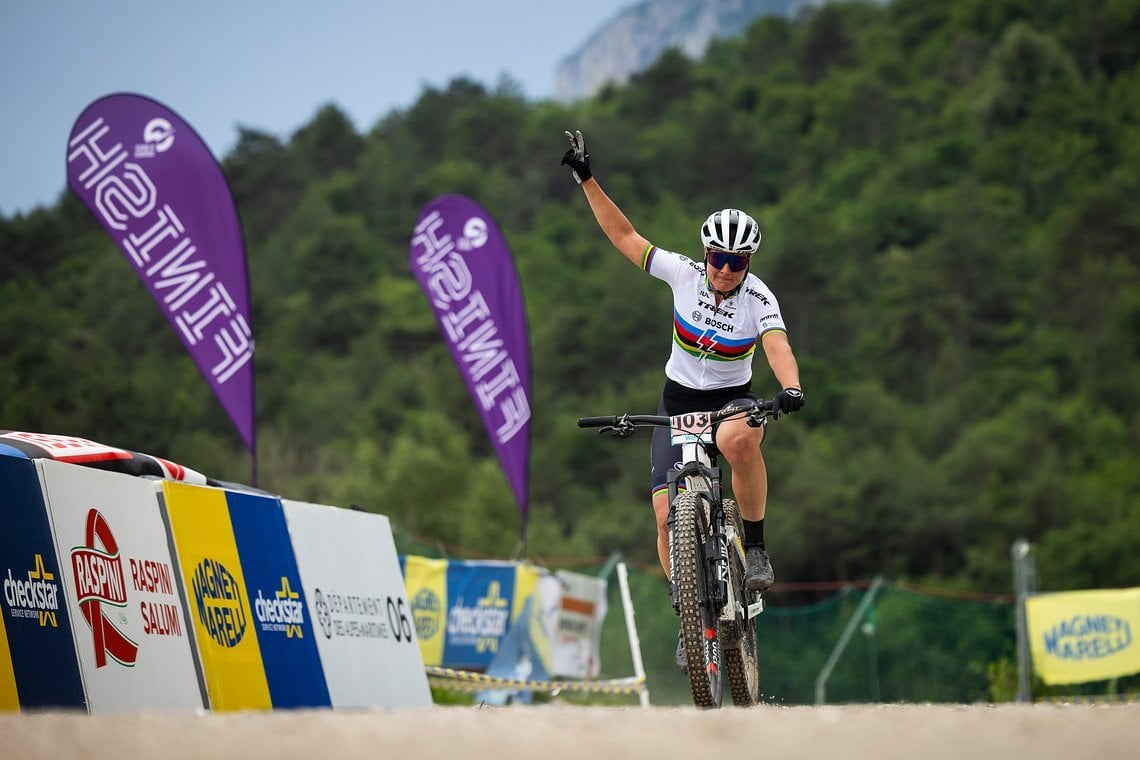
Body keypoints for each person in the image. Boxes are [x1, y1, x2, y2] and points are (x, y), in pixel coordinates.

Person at [560, 129, 804, 665]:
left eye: (737, 262)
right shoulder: (684, 275)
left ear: (749, 264)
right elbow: (625, 237)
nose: (724, 269)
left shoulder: (758, 298)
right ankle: (690, 617)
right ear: (705, 252)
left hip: (730, 402)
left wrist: (790, 387)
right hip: (677, 405)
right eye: (718, 257)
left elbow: (777, 345)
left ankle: (756, 548)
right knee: (667, 515)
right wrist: (586, 179)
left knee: (741, 439)